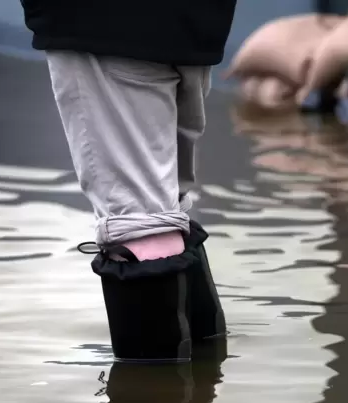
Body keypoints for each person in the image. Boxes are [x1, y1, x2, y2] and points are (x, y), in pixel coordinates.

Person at [20, 1, 237, 363]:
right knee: (166, 213)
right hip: (193, 21)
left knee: (143, 230)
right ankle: (199, 399)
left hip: (104, 24)